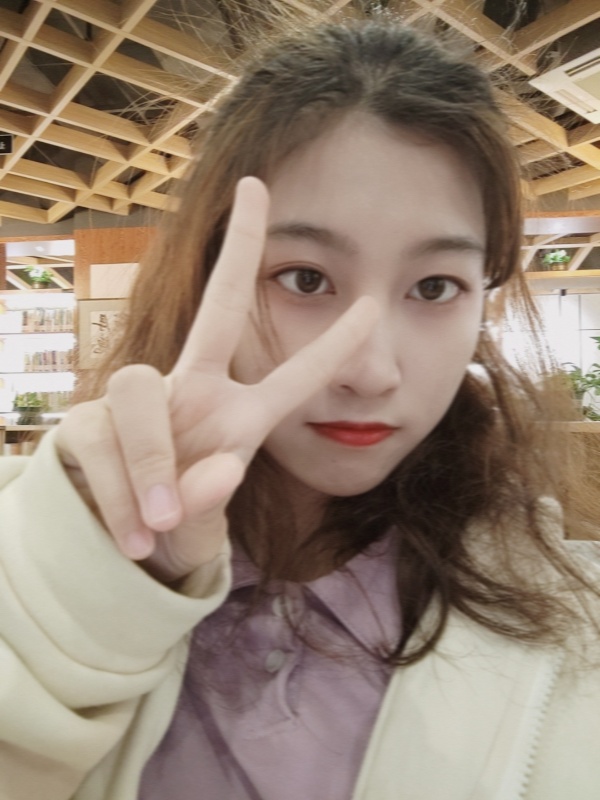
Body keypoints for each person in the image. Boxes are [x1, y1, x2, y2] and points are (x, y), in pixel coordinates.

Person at [1, 16, 599, 800]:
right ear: (204, 276)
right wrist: (91, 582)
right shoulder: (28, 540)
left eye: (434, 287)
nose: (371, 371)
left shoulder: (572, 624)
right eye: (306, 279)